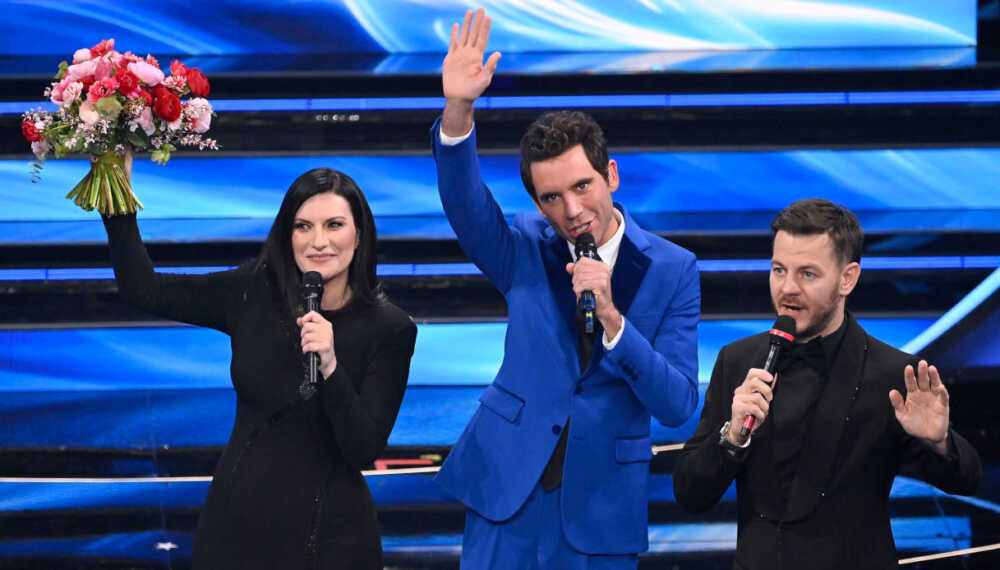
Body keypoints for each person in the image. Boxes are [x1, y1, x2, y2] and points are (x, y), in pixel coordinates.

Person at [431, 9, 700, 569]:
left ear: (612, 176)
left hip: (600, 511)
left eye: (582, 186)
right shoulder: (524, 245)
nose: (571, 211)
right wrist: (458, 111)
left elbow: (676, 404)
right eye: (551, 197)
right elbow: (465, 206)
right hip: (507, 494)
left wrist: (614, 322)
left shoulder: (673, 269)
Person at [98, 157, 417, 569]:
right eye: (303, 226)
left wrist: (331, 366)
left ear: (359, 235)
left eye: (334, 225)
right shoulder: (251, 293)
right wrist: (116, 192)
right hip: (237, 526)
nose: (318, 241)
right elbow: (144, 288)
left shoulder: (389, 329)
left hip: (330, 540)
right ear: (287, 235)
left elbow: (362, 449)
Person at [673, 198, 981, 569]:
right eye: (778, 270)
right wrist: (732, 438)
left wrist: (939, 441)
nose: (787, 288)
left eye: (808, 274)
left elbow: (966, 481)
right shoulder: (737, 362)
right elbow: (690, 492)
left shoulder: (893, 374)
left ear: (847, 278)